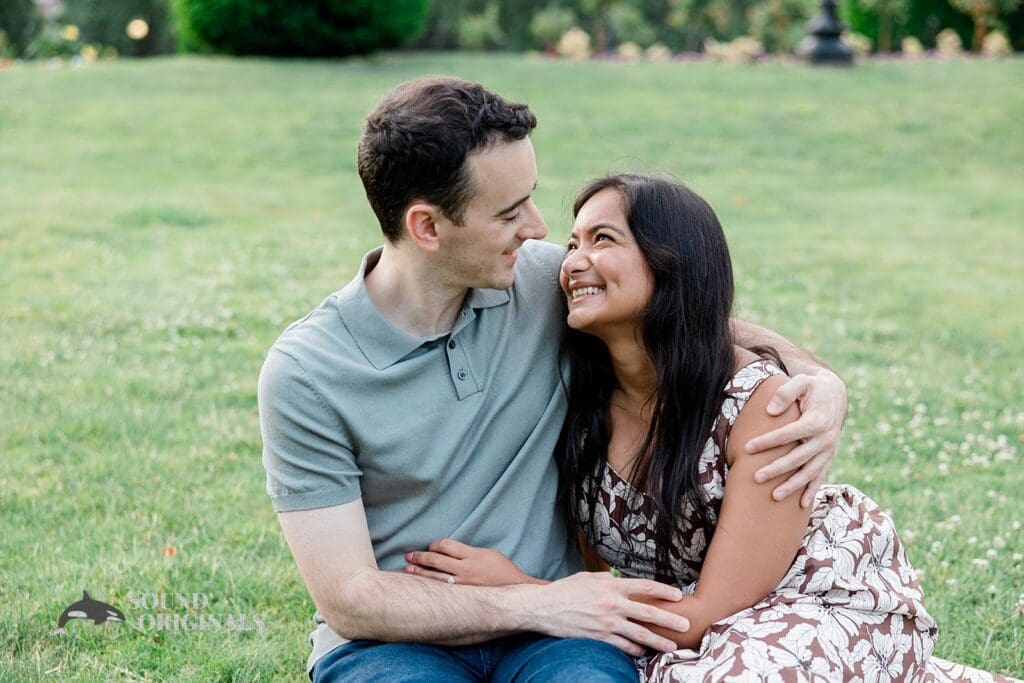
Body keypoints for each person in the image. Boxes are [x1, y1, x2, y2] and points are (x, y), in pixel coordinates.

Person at [258, 78, 849, 681]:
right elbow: (349, 598)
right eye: (509, 213)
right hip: (396, 642)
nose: (539, 229)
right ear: (427, 227)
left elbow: (687, 317)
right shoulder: (308, 373)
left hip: (559, 640)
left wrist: (816, 377)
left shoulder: (541, 283)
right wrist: (538, 600)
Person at [408, 173, 1018, 682]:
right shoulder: (579, 398)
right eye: (572, 244)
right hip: (692, 625)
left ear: (671, 263)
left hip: (811, 601)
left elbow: (709, 613)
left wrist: (521, 591)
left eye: (602, 239)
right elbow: (594, 582)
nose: (573, 262)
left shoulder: (759, 405)